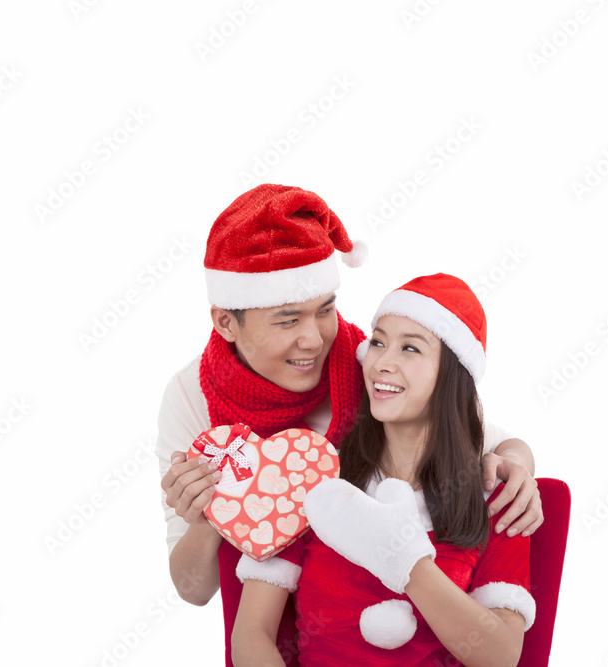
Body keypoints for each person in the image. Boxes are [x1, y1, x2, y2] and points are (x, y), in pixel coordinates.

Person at [157, 185, 542, 667]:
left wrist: (518, 462)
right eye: (286, 319)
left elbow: (469, 428)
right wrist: (213, 510)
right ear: (227, 322)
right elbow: (204, 598)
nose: (314, 339)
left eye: (325, 310)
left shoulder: (361, 368)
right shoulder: (203, 407)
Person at [233, 273, 536, 666]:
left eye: (410, 348)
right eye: (377, 342)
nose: (382, 363)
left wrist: (404, 560)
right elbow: (251, 636)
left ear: (452, 374)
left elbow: (499, 657)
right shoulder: (311, 479)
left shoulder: (497, 497)